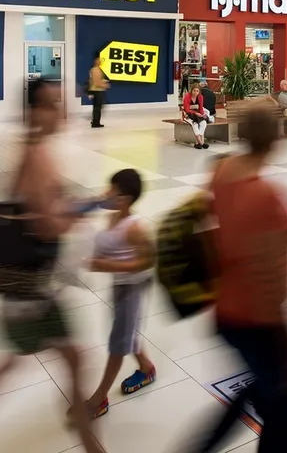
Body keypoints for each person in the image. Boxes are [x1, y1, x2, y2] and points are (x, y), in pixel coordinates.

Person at [0, 81, 105, 453]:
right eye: (52, 104)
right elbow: (45, 223)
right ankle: (87, 442)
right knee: (51, 360)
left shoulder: (31, 149)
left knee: (49, 360)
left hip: (32, 283)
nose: (62, 111)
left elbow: (22, 202)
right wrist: (77, 215)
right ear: (35, 112)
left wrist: (66, 204)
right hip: (32, 285)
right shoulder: (38, 155)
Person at [191, 105, 287, 453]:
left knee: (265, 386)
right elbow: (272, 265)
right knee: (281, 400)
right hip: (258, 316)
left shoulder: (222, 170)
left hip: (225, 305)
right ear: (275, 140)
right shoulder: (266, 196)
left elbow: (207, 222)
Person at [84, 168, 157, 419]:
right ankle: (146, 368)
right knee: (128, 329)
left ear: (124, 199)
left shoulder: (134, 228)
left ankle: (98, 400)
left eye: (111, 190)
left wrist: (107, 265)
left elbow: (148, 261)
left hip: (132, 288)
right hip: (120, 285)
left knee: (118, 342)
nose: (106, 193)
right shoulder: (113, 217)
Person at [183, 83, 211, 149]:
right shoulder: (187, 97)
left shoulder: (200, 97)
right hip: (188, 115)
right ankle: (202, 143)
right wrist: (195, 113)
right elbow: (187, 110)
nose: (195, 92)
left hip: (197, 115)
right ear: (191, 90)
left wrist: (202, 114)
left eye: (197, 91)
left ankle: (197, 143)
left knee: (203, 123)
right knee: (195, 124)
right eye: (194, 91)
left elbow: (201, 108)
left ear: (199, 91)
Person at [89, 55, 109, 129]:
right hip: (98, 91)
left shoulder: (93, 69)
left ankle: (94, 121)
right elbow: (97, 82)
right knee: (97, 107)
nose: (100, 61)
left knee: (96, 107)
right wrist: (105, 85)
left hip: (95, 90)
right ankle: (96, 122)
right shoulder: (96, 70)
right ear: (96, 61)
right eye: (99, 60)